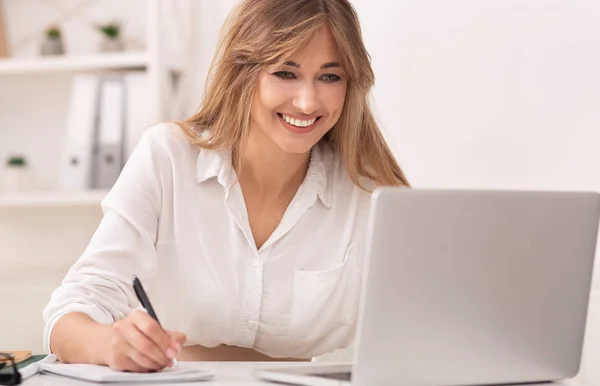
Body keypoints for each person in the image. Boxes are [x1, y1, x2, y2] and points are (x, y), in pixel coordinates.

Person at [43, 0, 410, 372]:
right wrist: (109, 344)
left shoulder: (369, 194)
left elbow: (412, 331)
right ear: (243, 73)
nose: (307, 101)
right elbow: (70, 312)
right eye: (285, 73)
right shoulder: (168, 157)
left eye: (330, 77)